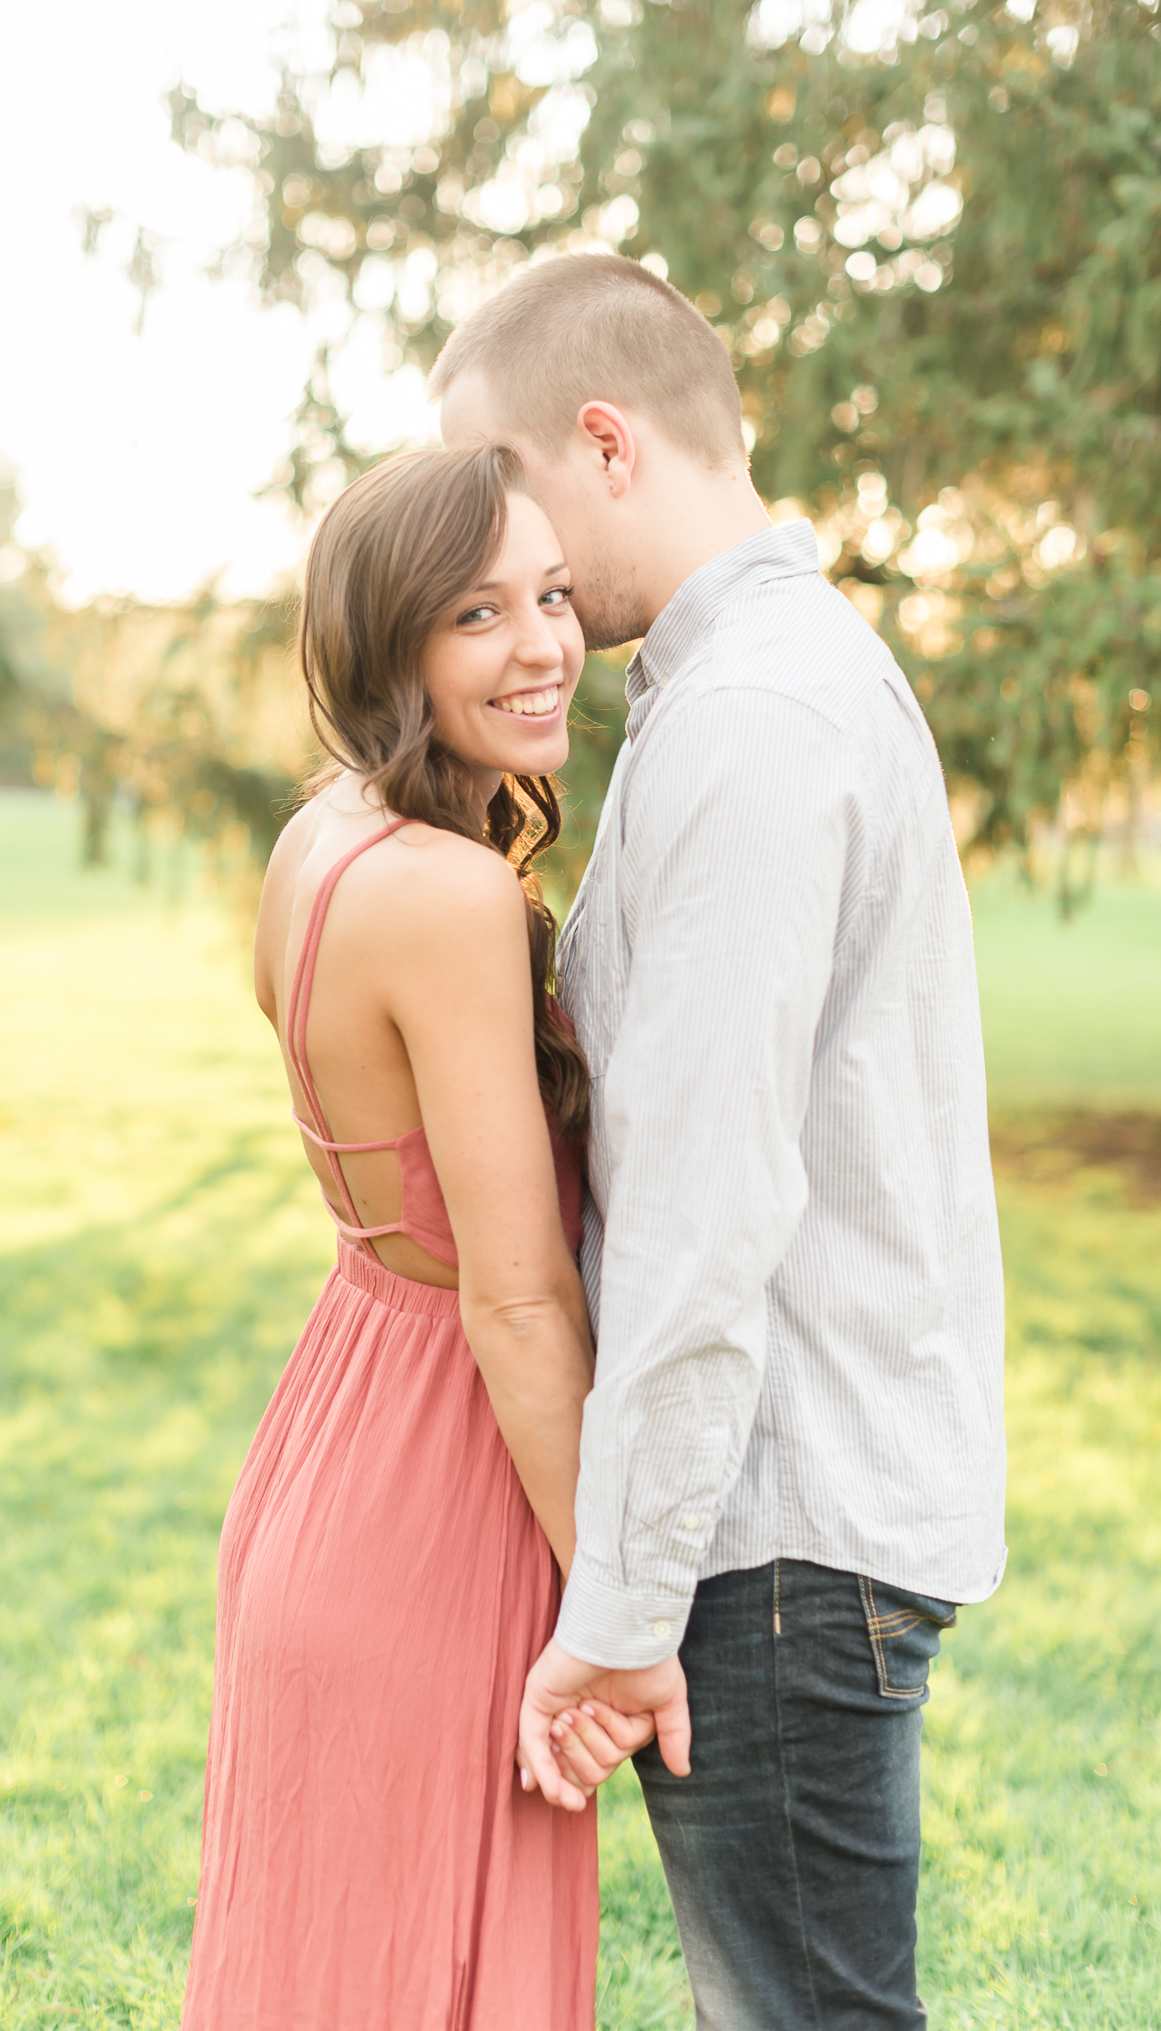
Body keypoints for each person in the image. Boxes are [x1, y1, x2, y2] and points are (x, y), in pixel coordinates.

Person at [435, 253, 1008, 2029]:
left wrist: (621, 1604)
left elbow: (701, 1216)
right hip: (788, 1540)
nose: (490, 567)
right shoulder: (760, 676)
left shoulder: (755, 717)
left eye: (501, 497)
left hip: (770, 1548)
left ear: (602, 442)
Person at [180, 443, 653, 2031]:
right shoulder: (446, 895)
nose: (544, 647)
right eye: (478, 613)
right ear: (391, 648)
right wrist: (620, 1610)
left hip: (330, 1444)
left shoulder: (318, 842)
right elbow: (515, 1303)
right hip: (438, 1492)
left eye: (554, 594)